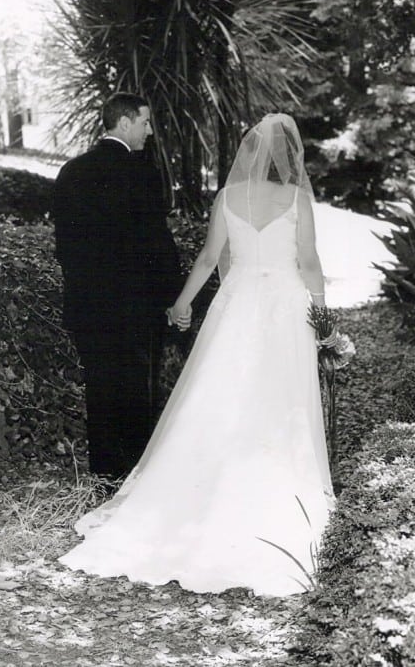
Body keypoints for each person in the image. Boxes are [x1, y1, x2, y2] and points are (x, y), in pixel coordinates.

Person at [59, 113, 335, 596]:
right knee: (279, 399)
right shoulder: (297, 199)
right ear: (291, 155)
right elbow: (310, 262)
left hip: (238, 305)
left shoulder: (228, 198)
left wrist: (183, 303)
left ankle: (195, 489)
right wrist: (324, 319)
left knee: (220, 394)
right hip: (285, 309)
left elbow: (209, 259)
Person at [53, 92, 183, 483]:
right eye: (145, 123)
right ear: (124, 123)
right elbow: (157, 245)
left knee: (100, 390)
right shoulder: (140, 172)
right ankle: (135, 477)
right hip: (132, 309)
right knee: (136, 392)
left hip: (87, 307)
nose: (149, 131)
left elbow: (65, 248)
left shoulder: (70, 172)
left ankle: (104, 474)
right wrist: (173, 297)